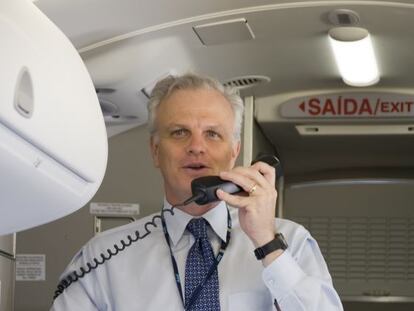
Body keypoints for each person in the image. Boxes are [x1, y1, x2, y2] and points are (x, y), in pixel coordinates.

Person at [51, 73, 343, 311]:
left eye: (212, 134)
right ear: (155, 150)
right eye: (179, 132)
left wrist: (266, 243)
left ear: (235, 152)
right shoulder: (103, 257)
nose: (196, 146)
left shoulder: (290, 242)